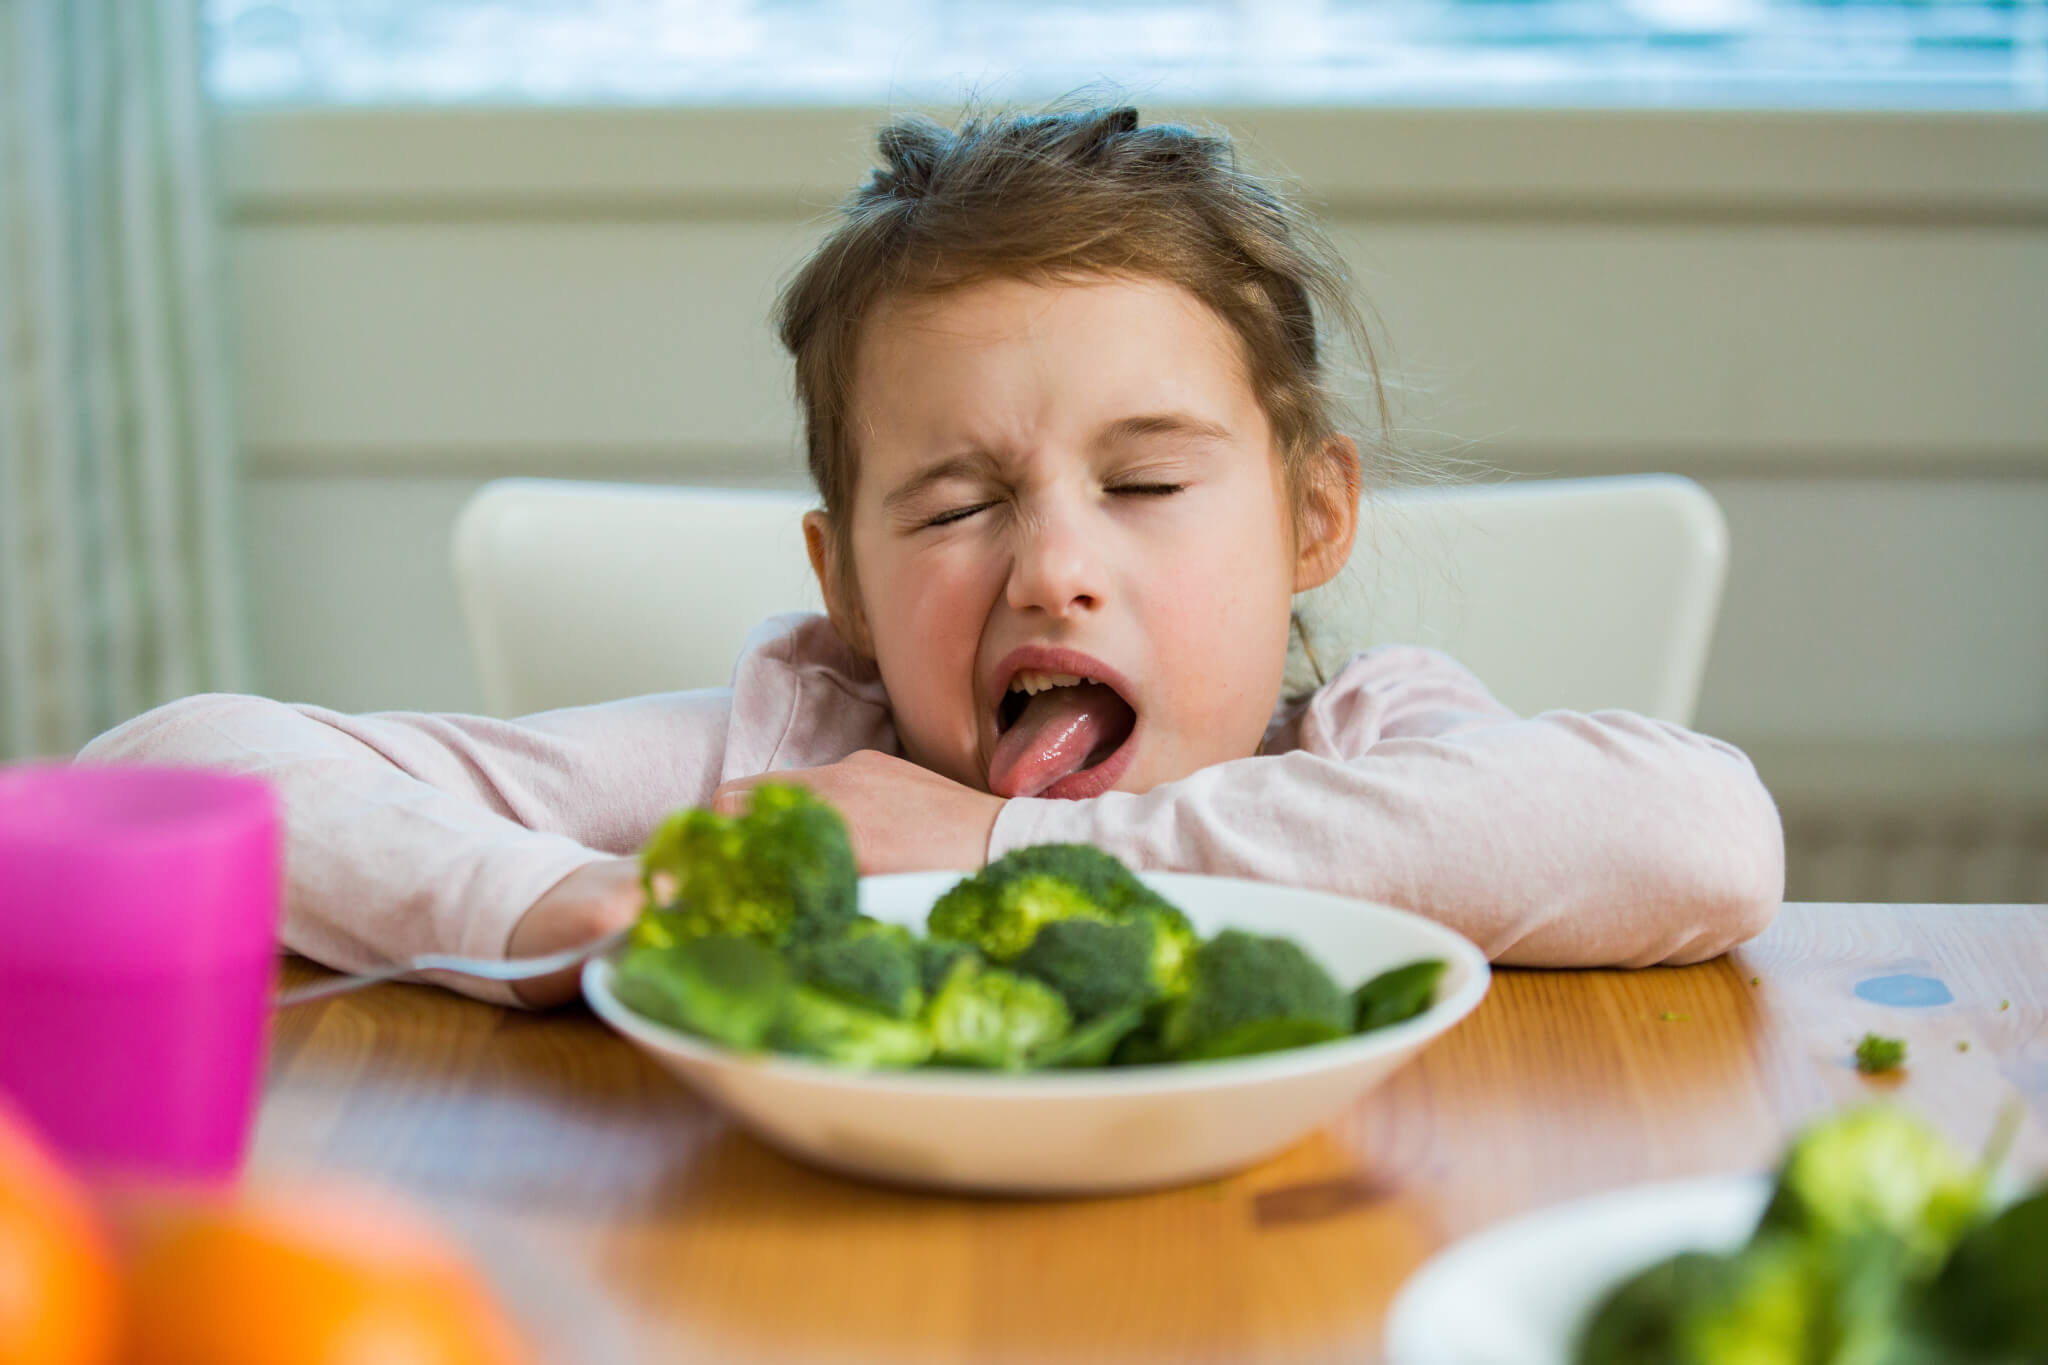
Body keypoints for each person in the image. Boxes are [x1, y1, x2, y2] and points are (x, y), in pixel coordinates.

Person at [79, 105, 1784, 1007]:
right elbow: (170, 774)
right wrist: (569, 902)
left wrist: (995, 846)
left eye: (1146, 483)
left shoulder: (1373, 744)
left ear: (1312, 520)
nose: (1053, 567)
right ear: (847, 579)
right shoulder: (795, 761)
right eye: (960, 506)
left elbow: (1698, 832)